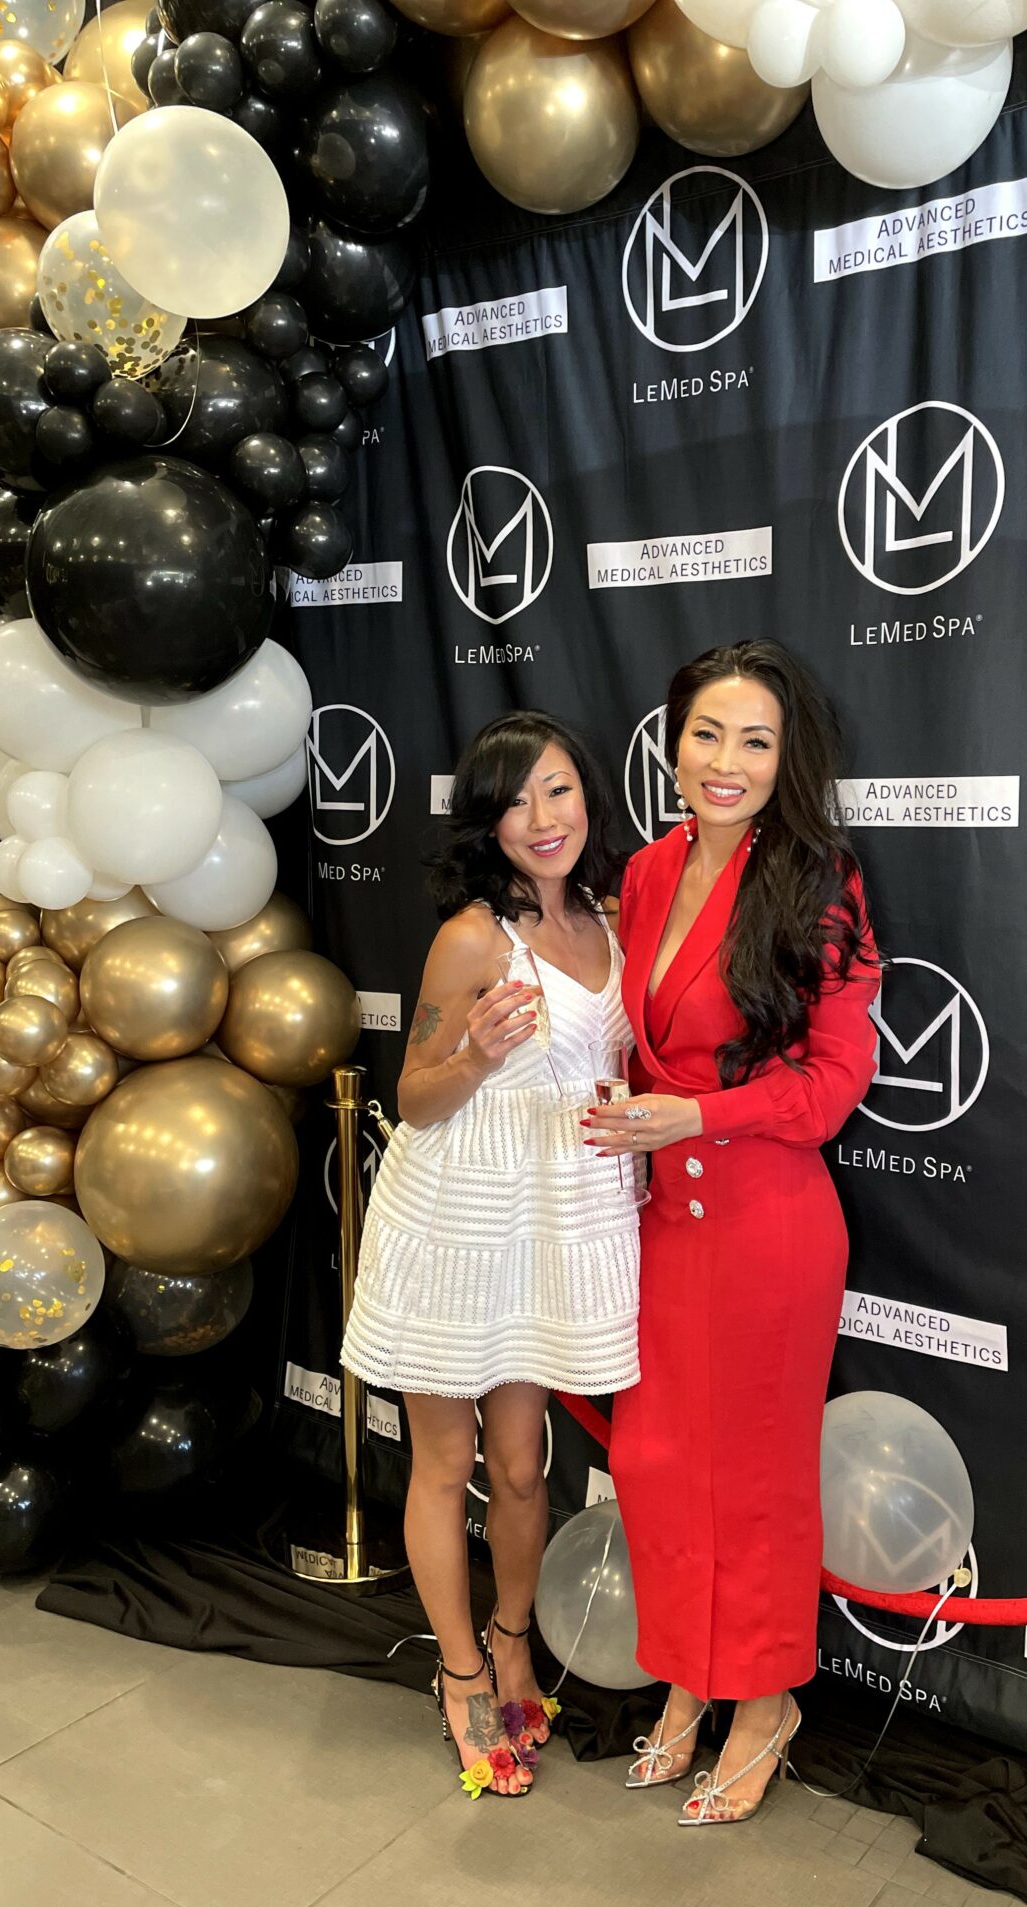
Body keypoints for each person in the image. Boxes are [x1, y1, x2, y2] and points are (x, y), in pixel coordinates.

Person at [584, 639, 880, 1827]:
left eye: (755, 739)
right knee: (656, 1470)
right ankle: (687, 1684)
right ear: (672, 736)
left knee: (753, 1480)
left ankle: (764, 1704)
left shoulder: (821, 881)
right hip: (664, 1230)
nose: (726, 760)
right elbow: (631, 1034)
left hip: (768, 1228)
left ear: (786, 756)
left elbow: (831, 1083)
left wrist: (695, 1113)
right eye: (707, 731)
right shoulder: (649, 871)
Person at [343, 711, 640, 1801]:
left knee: (522, 1465)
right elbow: (416, 1097)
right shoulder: (474, 936)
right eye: (515, 801)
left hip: (549, 1223)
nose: (541, 818)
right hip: (457, 1221)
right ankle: (461, 1674)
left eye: (557, 790)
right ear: (487, 822)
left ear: (586, 795)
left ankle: (514, 1638)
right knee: (445, 1462)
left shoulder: (608, 920)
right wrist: (472, 1048)